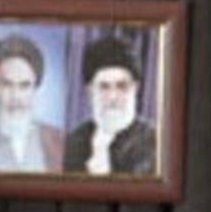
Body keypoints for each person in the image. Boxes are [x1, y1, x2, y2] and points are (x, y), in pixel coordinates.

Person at [0, 33, 65, 172]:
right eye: (6, 85)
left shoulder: (60, 141)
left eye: (24, 86)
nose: (16, 97)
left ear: (35, 88)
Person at [63, 35, 156, 175]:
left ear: (135, 88)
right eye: (104, 87)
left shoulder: (155, 143)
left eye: (121, 86)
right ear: (90, 91)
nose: (113, 97)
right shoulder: (73, 143)